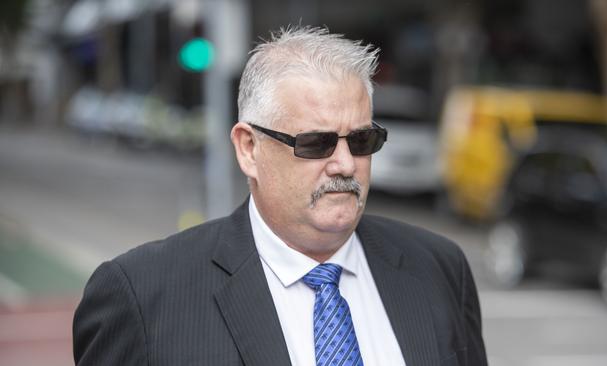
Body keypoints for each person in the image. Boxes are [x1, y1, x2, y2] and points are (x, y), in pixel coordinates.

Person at [73, 26, 487, 366]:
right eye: (315, 143)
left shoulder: (438, 269)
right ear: (249, 149)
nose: (345, 164)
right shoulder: (143, 296)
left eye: (361, 140)